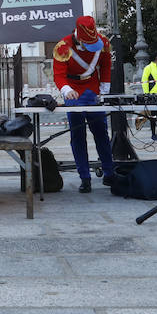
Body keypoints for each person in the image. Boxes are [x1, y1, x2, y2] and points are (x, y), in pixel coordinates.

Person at [52, 16, 116, 192]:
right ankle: (84, 177)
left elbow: (105, 65)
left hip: (93, 89)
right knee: (78, 135)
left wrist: (104, 90)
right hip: (73, 91)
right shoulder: (63, 47)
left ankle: (109, 173)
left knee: (101, 132)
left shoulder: (102, 42)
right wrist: (66, 90)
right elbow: (58, 75)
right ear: (79, 38)